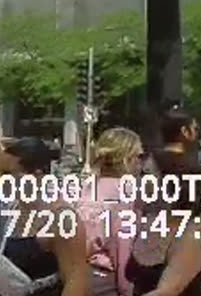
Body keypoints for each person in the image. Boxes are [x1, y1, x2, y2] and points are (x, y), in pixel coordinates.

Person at [0, 137, 89, 296]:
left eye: (8, 174)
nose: (1, 180)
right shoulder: (7, 211)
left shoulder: (61, 218)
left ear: (36, 175)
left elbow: (76, 280)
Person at [127, 149, 201, 296]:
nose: (137, 180)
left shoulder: (192, 231)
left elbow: (168, 290)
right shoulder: (148, 222)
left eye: (145, 174)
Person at [77, 127, 140, 296]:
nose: (140, 163)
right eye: (138, 156)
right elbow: (122, 247)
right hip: (104, 280)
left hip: (73, 273)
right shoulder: (125, 192)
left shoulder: (85, 187)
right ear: (127, 159)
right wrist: (127, 289)